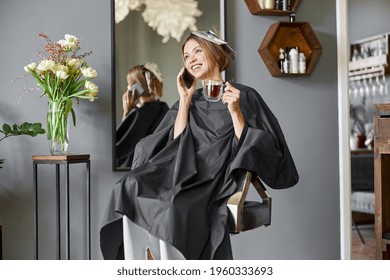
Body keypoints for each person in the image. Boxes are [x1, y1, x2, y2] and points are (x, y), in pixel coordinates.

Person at [101, 31, 299, 260]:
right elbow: (175, 145)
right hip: (180, 172)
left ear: (215, 53)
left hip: (214, 179)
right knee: (127, 185)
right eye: (186, 56)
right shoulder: (188, 99)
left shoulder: (244, 95)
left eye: (197, 51)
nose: (191, 59)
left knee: (172, 207)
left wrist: (235, 112)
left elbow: (256, 146)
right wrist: (185, 101)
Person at [116, 63, 169, 168]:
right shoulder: (165, 109)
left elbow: (119, 152)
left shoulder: (139, 115)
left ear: (136, 87)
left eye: (129, 84)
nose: (127, 87)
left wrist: (126, 113)